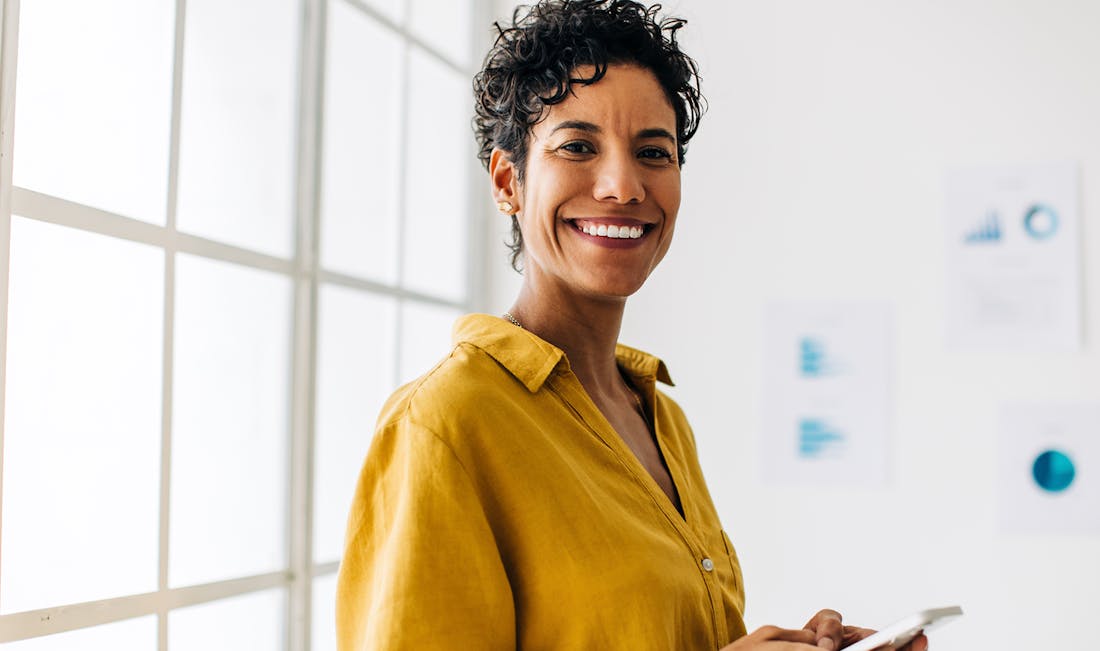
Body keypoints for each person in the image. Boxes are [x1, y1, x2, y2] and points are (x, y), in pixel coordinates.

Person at [336, 1, 928, 649]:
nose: (623, 185)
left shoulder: (661, 418)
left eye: (653, 151)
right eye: (578, 147)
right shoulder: (443, 424)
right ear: (508, 181)